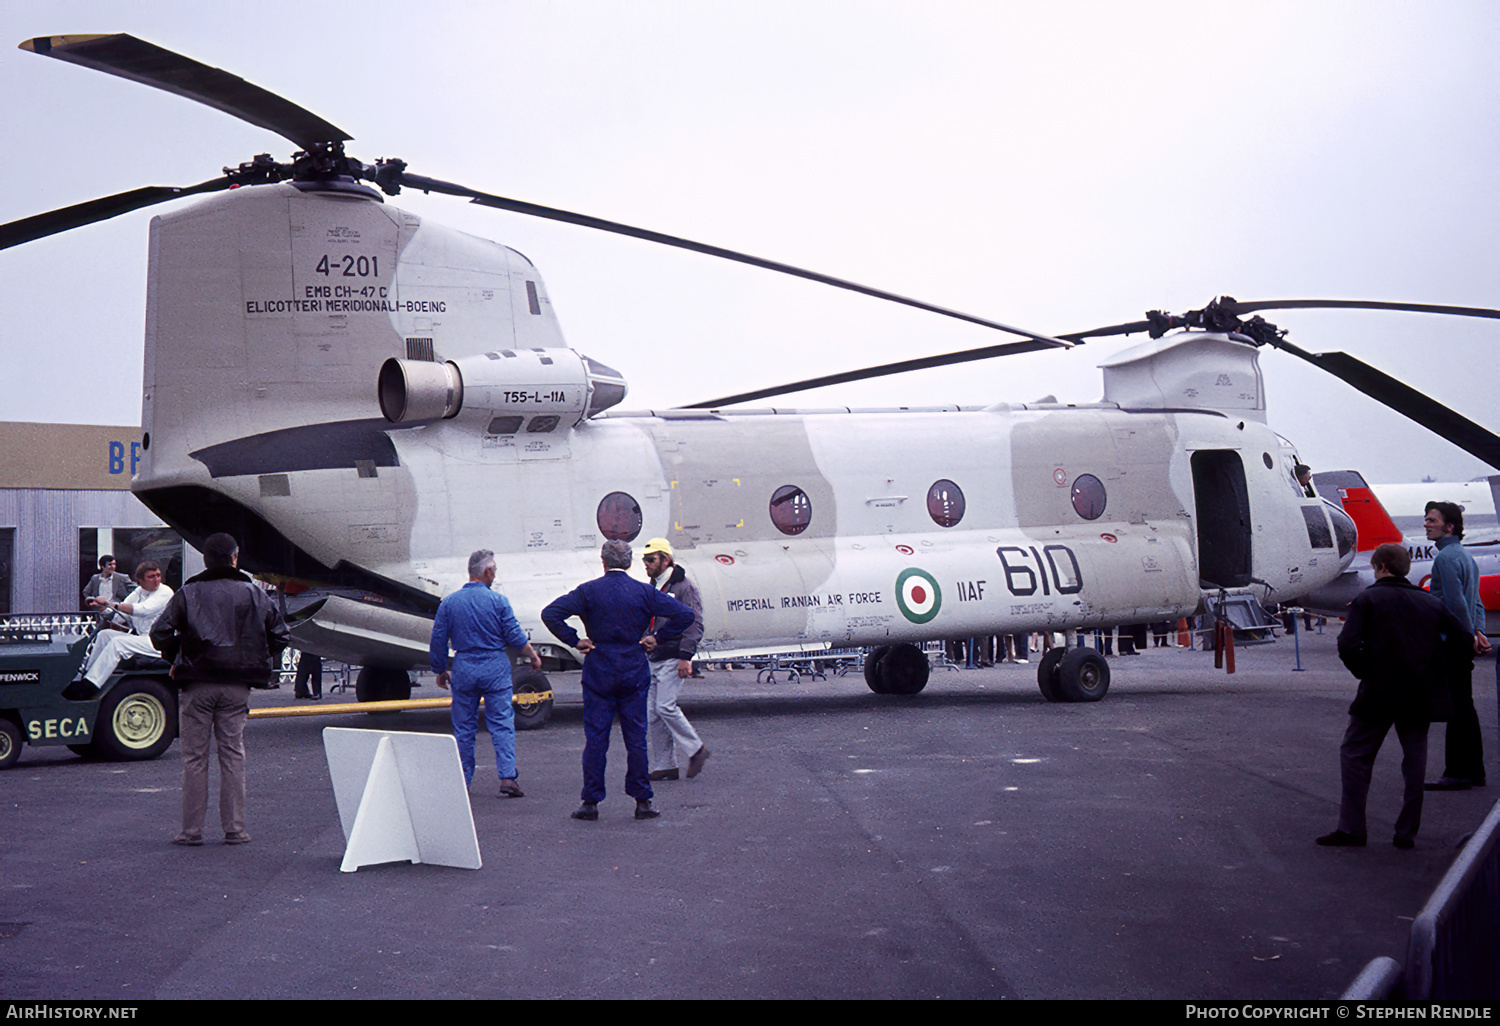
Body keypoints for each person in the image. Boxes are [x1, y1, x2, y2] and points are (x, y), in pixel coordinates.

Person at [1318, 543, 1467, 849]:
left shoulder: (1368, 599)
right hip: (1420, 693)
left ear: (1382, 567)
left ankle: (1352, 829)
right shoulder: (1428, 602)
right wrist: (1436, 666)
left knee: (1356, 754)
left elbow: (1348, 644)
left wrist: (1366, 671)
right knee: (1415, 761)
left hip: (1379, 693)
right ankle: (1406, 832)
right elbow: (1462, 638)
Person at [150, 533, 289, 846]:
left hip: (197, 684)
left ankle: (191, 831)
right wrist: (255, 655)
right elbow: (281, 635)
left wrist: (177, 655)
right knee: (233, 756)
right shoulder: (255, 594)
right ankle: (235, 829)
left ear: (205, 560)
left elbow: (158, 632)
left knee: (194, 759)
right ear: (234, 558)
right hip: (237, 686)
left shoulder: (188, 592)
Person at [542, 540, 694, 821]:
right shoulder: (643, 592)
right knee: (636, 736)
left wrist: (575, 640)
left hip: (600, 663)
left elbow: (550, 613)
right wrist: (656, 638)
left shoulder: (588, 591)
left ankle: (590, 801)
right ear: (629, 562)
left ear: (603, 561)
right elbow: (685, 615)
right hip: (633, 663)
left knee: (596, 737)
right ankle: (642, 800)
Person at [428, 549, 541, 796]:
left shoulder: (449, 602)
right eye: (494, 571)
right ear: (487, 571)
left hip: (464, 667)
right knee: (501, 723)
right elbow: (515, 636)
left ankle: (464, 780)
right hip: (495, 667)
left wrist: (439, 669)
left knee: (464, 728)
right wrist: (532, 656)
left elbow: (437, 639)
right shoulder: (498, 601)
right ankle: (508, 777)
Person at [1422, 501, 1491, 790]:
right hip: (1464, 637)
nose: (1427, 524)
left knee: (1457, 706)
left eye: (1432, 520)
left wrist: (1464, 635)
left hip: (1452, 641)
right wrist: (1478, 631)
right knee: (1465, 704)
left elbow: (1456, 602)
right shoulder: (1464, 556)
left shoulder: (1445, 559)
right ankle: (1473, 770)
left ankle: (1458, 772)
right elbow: (1474, 600)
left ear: (1449, 526)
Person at [638, 538, 710, 782]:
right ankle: (665, 764)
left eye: (650, 559)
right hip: (655, 657)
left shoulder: (683, 587)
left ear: (666, 559)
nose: (645, 564)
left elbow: (694, 622)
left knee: (664, 706)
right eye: (644, 560)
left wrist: (685, 657)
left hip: (671, 655)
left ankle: (696, 749)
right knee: (653, 713)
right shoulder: (655, 586)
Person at [80, 560, 173, 688]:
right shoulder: (137, 593)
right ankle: (86, 674)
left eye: (158, 575)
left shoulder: (165, 592)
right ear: (140, 580)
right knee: (104, 634)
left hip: (160, 643)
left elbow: (143, 610)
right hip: (144, 639)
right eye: (151, 577)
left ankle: (91, 685)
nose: (156, 579)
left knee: (118, 643)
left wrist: (110, 603)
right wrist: (102, 608)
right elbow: (119, 617)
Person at [83, 554, 132, 627]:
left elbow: (134, 589)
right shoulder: (95, 578)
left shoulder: (122, 577)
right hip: (100, 611)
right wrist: (91, 601)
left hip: (115, 610)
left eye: (114, 564)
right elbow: (86, 592)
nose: (113, 567)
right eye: (110, 564)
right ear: (102, 566)